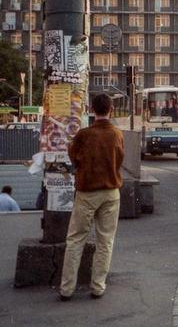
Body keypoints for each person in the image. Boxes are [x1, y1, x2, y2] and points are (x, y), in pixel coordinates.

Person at [59, 93, 124, 302]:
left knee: (76, 239)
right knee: (105, 240)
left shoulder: (83, 135)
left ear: (92, 110)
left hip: (87, 193)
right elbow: (119, 160)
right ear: (110, 110)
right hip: (111, 193)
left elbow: (74, 157)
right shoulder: (116, 134)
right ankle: (98, 286)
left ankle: (67, 289)